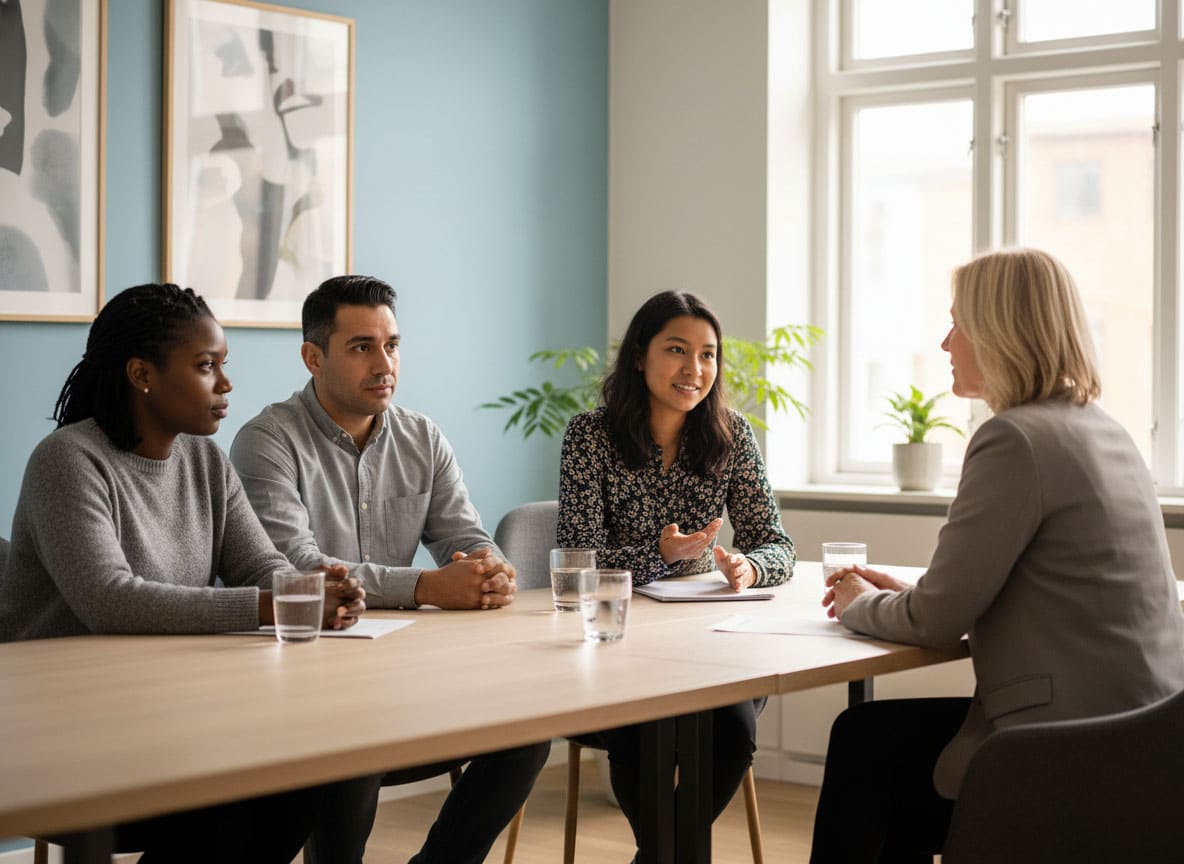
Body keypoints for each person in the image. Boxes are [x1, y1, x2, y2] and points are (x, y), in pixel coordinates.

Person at [811, 248, 1184, 863]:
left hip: (1067, 754)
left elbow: (935, 621)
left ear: (999, 332)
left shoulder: (1013, 438)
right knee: (878, 749)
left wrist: (859, 603)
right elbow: (1040, 584)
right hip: (1148, 740)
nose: (945, 342)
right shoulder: (1102, 429)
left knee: (865, 748)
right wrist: (904, 594)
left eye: (958, 322)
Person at [0, 283, 365, 863]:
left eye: (223, 365)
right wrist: (276, 606)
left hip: (170, 709)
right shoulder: (67, 461)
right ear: (143, 374)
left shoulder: (203, 460)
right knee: (219, 805)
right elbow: (109, 600)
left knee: (309, 776)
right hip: (67, 728)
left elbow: (259, 564)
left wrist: (309, 586)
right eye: (206, 366)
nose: (226, 385)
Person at [229, 274, 550, 864]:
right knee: (351, 747)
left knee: (525, 731)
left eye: (392, 345)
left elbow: (464, 535)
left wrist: (491, 568)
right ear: (312, 356)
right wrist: (428, 585)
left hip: (401, 674)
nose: (385, 364)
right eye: (362, 348)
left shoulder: (422, 437)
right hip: (304, 684)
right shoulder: (266, 442)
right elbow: (296, 567)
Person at [557, 290, 796, 858]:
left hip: (714, 646)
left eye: (709, 354)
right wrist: (658, 557)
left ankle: (657, 856)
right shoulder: (589, 438)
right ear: (640, 356)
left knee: (734, 735)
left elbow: (777, 544)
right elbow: (578, 562)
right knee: (641, 736)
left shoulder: (732, 434)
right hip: (621, 646)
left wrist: (748, 565)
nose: (695, 369)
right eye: (677, 350)